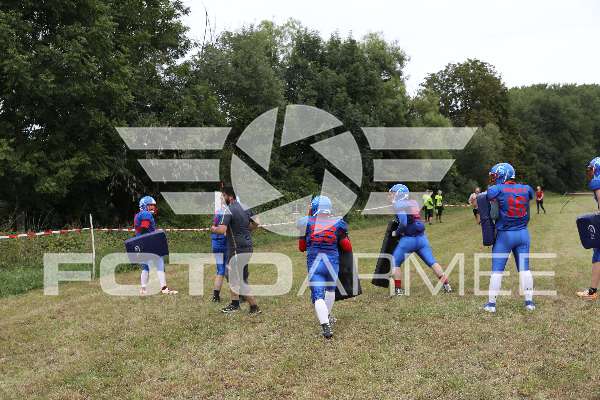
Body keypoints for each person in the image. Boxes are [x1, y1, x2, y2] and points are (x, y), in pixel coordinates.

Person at [482, 163, 535, 313]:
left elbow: (491, 202)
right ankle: (529, 303)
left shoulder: (496, 189)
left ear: (502, 175)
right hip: (523, 233)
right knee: (525, 268)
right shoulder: (526, 188)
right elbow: (527, 200)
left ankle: (491, 304)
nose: (494, 179)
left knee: (497, 270)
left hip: (505, 235)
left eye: (495, 176)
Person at [298, 196, 352, 339]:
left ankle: (326, 325)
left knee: (318, 295)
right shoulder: (338, 223)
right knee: (330, 290)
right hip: (332, 263)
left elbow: (301, 247)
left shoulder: (306, 222)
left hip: (316, 263)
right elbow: (347, 247)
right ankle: (327, 317)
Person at [388, 184, 452, 296]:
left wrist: (396, 232)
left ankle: (398, 290)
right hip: (422, 239)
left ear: (399, 193)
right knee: (432, 262)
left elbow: (403, 222)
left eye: (393, 193)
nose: (391, 195)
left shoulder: (399, 204)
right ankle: (447, 285)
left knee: (395, 263)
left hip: (408, 240)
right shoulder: (413, 202)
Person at [211, 185, 261, 314]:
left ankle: (254, 307)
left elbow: (222, 230)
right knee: (236, 277)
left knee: (236, 278)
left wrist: (214, 229)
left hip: (236, 248)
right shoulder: (245, 207)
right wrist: (247, 229)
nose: (222, 199)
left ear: (229, 196)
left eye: (223, 196)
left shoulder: (228, 210)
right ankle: (235, 304)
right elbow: (257, 222)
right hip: (248, 246)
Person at [134, 196, 178, 295]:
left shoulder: (138, 215)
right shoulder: (146, 214)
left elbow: (141, 229)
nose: (153, 207)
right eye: (150, 205)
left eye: (153, 206)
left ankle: (143, 289)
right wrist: (154, 234)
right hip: (148, 243)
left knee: (145, 267)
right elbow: (144, 227)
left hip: (141, 243)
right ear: (144, 206)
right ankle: (164, 288)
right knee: (159, 264)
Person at [576, 157, 600, 301]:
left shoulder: (597, 181)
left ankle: (592, 292)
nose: (590, 172)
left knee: (598, 254)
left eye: (591, 169)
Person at [210, 194, 228, 302]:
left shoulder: (218, 212)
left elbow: (213, 227)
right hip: (225, 242)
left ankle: (215, 296)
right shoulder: (228, 212)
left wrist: (214, 229)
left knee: (220, 270)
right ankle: (240, 295)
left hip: (216, 243)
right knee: (230, 269)